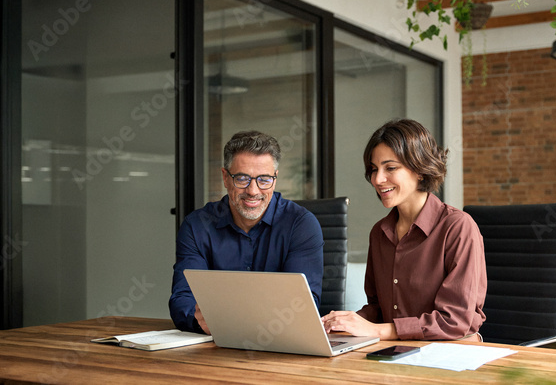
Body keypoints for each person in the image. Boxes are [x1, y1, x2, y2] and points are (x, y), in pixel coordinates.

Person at [321, 119, 487, 341]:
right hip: (397, 351)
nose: (378, 179)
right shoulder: (379, 233)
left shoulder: (458, 228)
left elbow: (454, 321)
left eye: (390, 168)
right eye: (373, 169)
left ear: (420, 169)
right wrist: (343, 321)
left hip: (449, 352)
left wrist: (378, 331)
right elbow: (379, 310)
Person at [169, 130, 324, 334]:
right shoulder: (196, 226)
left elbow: (302, 305)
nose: (253, 190)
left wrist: (231, 318)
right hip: (213, 344)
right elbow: (182, 300)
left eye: (264, 179)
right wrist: (199, 319)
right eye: (242, 178)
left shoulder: (301, 225)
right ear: (225, 178)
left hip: (282, 346)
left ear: (275, 179)